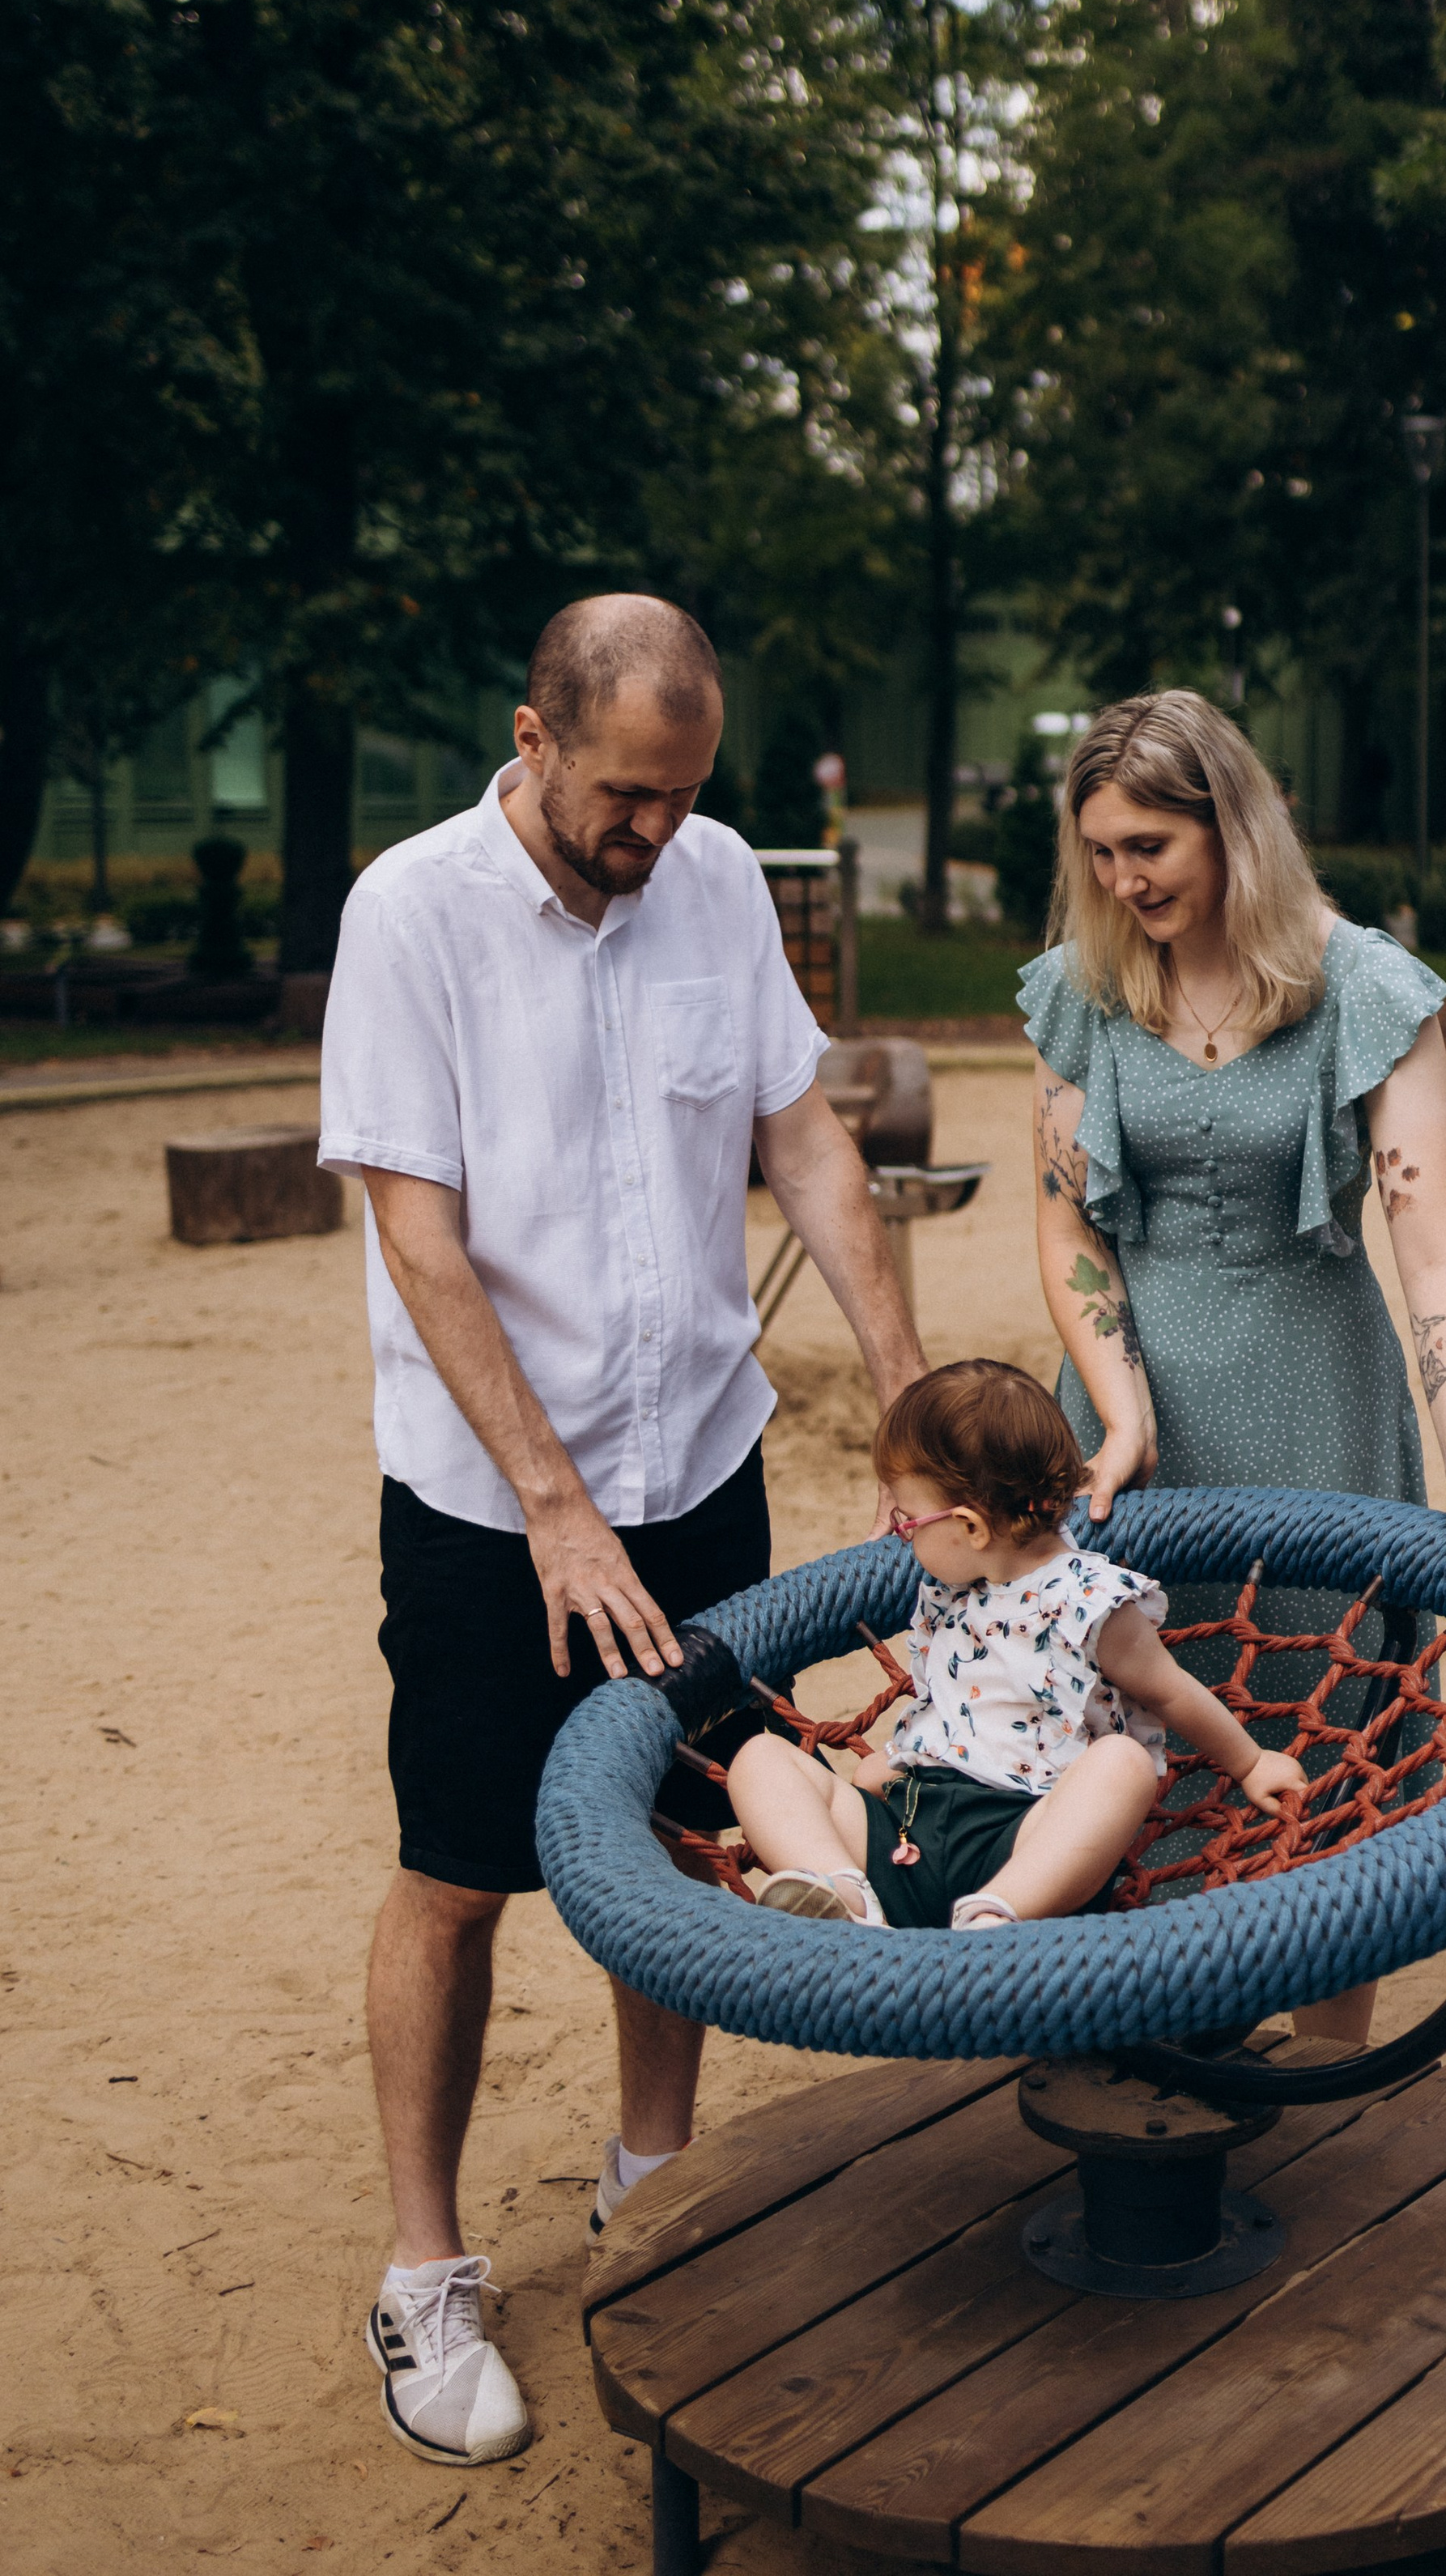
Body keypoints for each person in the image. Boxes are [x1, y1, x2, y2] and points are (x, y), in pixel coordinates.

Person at [318, 593, 927, 2469]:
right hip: (493, 1497)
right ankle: (423, 2271)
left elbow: (805, 1139)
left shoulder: (720, 877)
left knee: (674, 1847)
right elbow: (417, 1232)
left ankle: (647, 2185)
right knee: (459, 1863)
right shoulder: (407, 911)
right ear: (530, 735)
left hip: (697, 1464)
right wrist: (553, 1508)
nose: (649, 831)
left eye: (679, 795)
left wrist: (905, 1399)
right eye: (618, 795)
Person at [1019, 691, 1446, 2033]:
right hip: (1131, 1425)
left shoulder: (1363, 990)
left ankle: (1327, 2075)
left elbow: (1436, 1246)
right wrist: (1122, 1404)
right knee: (1123, 1732)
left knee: (1324, 1742)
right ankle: (1147, 2041)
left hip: (1317, 1408)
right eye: (1097, 850)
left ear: (1234, 827)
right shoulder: (1082, 986)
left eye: (1148, 844)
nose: (1119, 877)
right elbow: (1064, 1225)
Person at [727, 1360, 1306, 1928]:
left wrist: (1250, 1762)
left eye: (908, 1522)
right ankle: (845, 1893)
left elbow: (1173, 1692)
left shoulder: (1088, 1601)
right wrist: (906, 1761)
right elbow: (961, 1707)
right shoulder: (956, 1591)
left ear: (972, 1529)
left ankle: (995, 1916)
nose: (903, 1537)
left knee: (1123, 1764)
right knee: (760, 1759)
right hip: (910, 1828)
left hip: (1027, 1836)